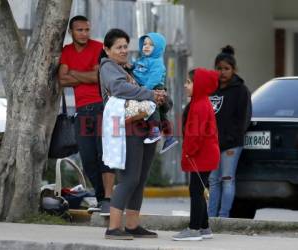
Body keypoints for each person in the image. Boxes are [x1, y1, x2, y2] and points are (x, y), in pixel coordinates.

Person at [99, 28, 166, 240]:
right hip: (128, 128)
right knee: (129, 179)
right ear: (107, 50)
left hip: (144, 128)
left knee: (140, 179)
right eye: (118, 47)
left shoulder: (132, 68)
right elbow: (118, 89)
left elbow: (152, 86)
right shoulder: (108, 67)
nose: (123, 50)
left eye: (126, 46)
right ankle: (113, 227)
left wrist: (161, 97)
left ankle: (132, 225)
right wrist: (150, 94)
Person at [58, 15, 115, 216]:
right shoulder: (66, 51)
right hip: (81, 111)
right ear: (71, 32)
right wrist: (85, 75)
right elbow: (61, 80)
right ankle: (101, 199)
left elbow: (98, 77)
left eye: (87, 29)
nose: (84, 33)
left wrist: (74, 73)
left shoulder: (99, 48)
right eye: (79, 30)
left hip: (101, 108)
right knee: (88, 158)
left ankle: (108, 198)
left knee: (104, 155)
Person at [172, 68, 220, 241]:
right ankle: (204, 228)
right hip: (205, 154)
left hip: (201, 155)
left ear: (199, 85)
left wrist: (188, 153)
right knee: (198, 189)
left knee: (196, 190)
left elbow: (195, 135)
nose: (185, 85)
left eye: (189, 82)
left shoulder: (199, 105)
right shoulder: (200, 101)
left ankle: (194, 229)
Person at [208, 45, 252, 218]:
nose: (222, 72)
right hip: (212, 143)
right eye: (219, 69)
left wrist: (231, 139)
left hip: (231, 145)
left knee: (227, 180)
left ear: (234, 70)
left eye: (226, 69)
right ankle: (210, 217)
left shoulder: (241, 90)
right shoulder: (211, 89)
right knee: (213, 181)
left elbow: (244, 119)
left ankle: (223, 216)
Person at [132, 32, 178, 153]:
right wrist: (129, 66)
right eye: (145, 44)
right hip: (147, 87)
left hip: (154, 87)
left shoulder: (157, 62)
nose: (146, 46)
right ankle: (169, 137)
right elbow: (137, 70)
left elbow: (154, 78)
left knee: (153, 108)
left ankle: (155, 131)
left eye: (151, 45)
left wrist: (145, 90)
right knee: (162, 116)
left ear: (158, 48)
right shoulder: (142, 60)